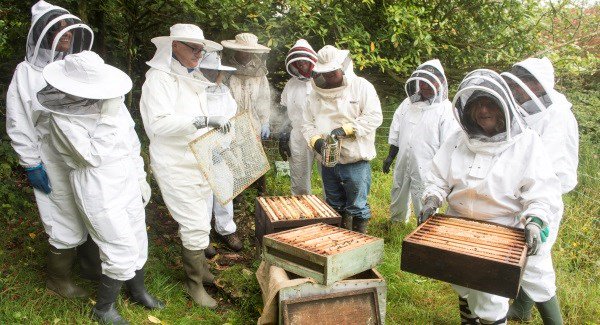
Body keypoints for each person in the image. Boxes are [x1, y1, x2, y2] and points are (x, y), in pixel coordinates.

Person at [419, 70, 563, 325]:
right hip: (458, 226)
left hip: (504, 230)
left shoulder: (526, 143)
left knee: (490, 299)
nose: (483, 110)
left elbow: (542, 192)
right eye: (476, 105)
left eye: (490, 104)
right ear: (466, 111)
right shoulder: (458, 140)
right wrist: (432, 198)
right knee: (461, 282)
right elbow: (438, 178)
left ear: (504, 106)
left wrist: (535, 220)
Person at [38, 50, 163, 324]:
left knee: (137, 236)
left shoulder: (112, 103)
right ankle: (103, 308)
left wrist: (140, 177)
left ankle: (137, 289)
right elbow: (90, 157)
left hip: (127, 177)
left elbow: (132, 144)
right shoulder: (61, 118)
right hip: (97, 184)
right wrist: (106, 119)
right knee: (118, 244)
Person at [5, 0, 100, 299]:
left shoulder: (72, 67)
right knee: (61, 212)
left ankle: (88, 265)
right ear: (42, 33)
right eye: (57, 28)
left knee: (88, 205)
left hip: (82, 152)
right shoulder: (26, 73)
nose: (66, 33)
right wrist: (31, 163)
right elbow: (19, 121)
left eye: (67, 27)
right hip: (50, 156)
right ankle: (58, 279)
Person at [140, 24, 229, 309]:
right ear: (174, 45)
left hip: (199, 159)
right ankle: (193, 286)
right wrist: (204, 121)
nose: (199, 53)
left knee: (201, 220)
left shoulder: (191, 76)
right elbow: (158, 124)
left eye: (201, 49)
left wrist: (216, 133)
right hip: (174, 162)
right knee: (192, 223)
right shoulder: (159, 80)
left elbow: (200, 116)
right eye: (193, 47)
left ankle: (201, 271)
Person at [501, 57, 578, 324]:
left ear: (535, 83)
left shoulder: (557, 116)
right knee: (523, 254)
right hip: (523, 193)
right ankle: (522, 308)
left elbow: (548, 169)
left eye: (519, 84)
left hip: (546, 196)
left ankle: (553, 321)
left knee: (535, 258)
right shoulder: (530, 108)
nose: (515, 90)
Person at [302, 45, 383, 233]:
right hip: (327, 161)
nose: (329, 77)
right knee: (332, 205)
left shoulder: (362, 87)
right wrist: (316, 141)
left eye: (332, 72)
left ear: (343, 67)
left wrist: (347, 129)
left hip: (355, 159)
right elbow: (307, 124)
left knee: (357, 207)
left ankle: (359, 246)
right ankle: (337, 244)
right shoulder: (314, 94)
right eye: (325, 73)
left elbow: (374, 117)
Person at [382, 59, 458, 224]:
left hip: (428, 165)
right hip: (403, 159)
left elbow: (448, 146)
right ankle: (396, 223)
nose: (425, 86)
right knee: (398, 189)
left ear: (439, 84)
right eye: (422, 82)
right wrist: (390, 156)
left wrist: (445, 173)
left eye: (429, 82)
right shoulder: (407, 104)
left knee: (423, 194)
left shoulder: (445, 110)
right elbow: (396, 130)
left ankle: (423, 228)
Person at [198, 51, 243, 256]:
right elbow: (195, 121)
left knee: (225, 188)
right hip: (200, 149)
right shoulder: (193, 91)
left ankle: (225, 230)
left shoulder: (224, 91)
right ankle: (203, 235)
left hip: (221, 148)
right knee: (204, 193)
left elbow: (231, 118)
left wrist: (223, 144)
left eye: (215, 71)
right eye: (208, 70)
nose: (213, 74)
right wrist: (208, 146)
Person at [279, 39, 318, 195]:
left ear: (311, 61)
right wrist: (283, 136)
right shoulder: (291, 84)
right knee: (299, 174)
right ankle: (301, 213)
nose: (301, 64)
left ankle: (333, 211)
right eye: (298, 61)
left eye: (304, 60)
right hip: (299, 133)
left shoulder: (322, 80)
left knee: (330, 175)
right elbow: (284, 110)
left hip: (322, 131)